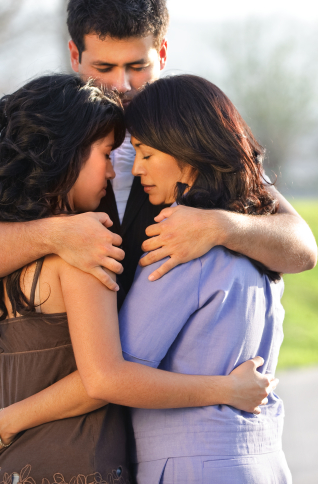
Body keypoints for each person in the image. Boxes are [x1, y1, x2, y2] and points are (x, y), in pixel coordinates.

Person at [0, 0, 317, 455]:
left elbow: (301, 245)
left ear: (162, 52)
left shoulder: (191, 139)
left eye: (137, 66)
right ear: (74, 55)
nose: (123, 85)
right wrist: (58, 236)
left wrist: (221, 226)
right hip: (73, 430)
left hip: (161, 431)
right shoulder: (44, 148)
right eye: (103, 68)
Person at [0, 74, 275, 484]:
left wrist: (3, 421)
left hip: (3, 470)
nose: (113, 171)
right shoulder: (87, 255)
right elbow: (106, 378)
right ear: (66, 156)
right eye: (107, 154)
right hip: (77, 470)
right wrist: (226, 390)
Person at [119, 74, 291, 483]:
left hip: (193, 467)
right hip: (261, 460)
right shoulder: (256, 240)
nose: (136, 168)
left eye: (144, 152)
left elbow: (117, 377)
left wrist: (10, 418)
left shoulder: (181, 248)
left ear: (186, 150)